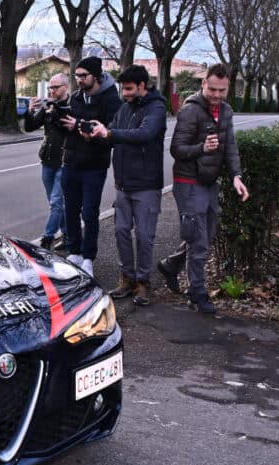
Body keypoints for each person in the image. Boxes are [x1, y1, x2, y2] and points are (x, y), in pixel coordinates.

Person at [158, 63, 250, 314]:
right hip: (188, 182)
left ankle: (171, 265)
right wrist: (202, 148)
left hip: (210, 181)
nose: (217, 95)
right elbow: (176, 149)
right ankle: (197, 294)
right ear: (203, 84)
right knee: (198, 242)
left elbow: (230, 146)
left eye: (222, 90)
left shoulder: (226, 111)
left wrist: (236, 176)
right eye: (213, 89)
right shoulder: (191, 110)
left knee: (205, 236)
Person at [88, 64, 167, 306]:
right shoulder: (124, 108)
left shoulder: (157, 108)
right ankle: (127, 278)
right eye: (123, 89)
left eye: (130, 89)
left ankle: (143, 282)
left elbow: (145, 134)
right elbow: (112, 135)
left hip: (146, 185)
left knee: (144, 235)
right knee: (121, 231)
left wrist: (110, 134)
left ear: (142, 86)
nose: (125, 94)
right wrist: (96, 135)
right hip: (123, 184)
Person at [57, 55, 122, 276]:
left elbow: (110, 135)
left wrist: (81, 126)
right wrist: (59, 120)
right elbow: (70, 127)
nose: (79, 80)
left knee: (90, 212)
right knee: (70, 210)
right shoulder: (76, 98)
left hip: (94, 166)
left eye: (83, 76)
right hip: (71, 162)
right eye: (76, 76)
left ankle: (88, 258)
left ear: (96, 76)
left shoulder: (111, 100)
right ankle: (74, 251)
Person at [25, 73, 70, 250]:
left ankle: (47, 239)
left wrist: (56, 113)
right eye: (50, 87)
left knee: (56, 202)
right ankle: (67, 235)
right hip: (47, 161)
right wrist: (30, 111)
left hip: (64, 161)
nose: (52, 90)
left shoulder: (72, 106)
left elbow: (68, 129)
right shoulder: (49, 106)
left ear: (65, 87)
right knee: (55, 203)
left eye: (55, 87)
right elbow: (29, 127)